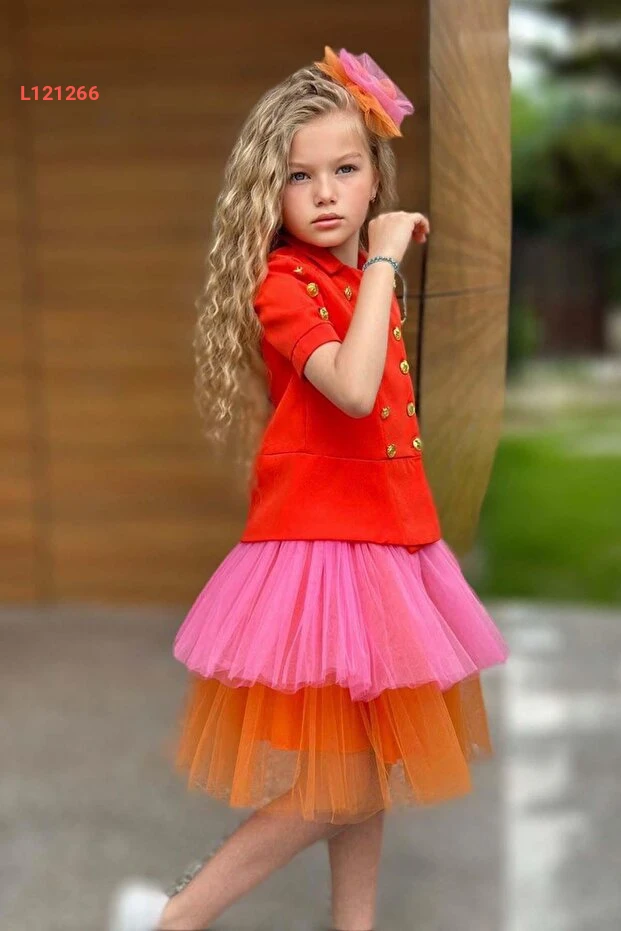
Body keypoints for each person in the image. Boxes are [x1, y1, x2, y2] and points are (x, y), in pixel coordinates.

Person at [108, 44, 511, 931]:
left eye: (345, 168)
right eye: (299, 176)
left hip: (389, 541)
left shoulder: (356, 278)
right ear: (271, 192)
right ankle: (174, 918)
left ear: (376, 178)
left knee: (360, 768)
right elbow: (353, 389)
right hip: (323, 551)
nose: (324, 193)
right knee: (346, 779)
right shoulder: (284, 283)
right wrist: (385, 261)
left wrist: (375, 269)